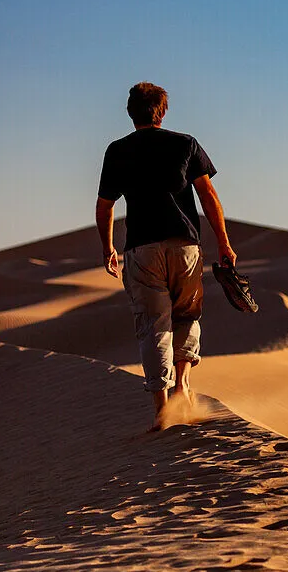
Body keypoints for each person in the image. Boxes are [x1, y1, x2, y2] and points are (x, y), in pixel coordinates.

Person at [95, 82, 237, 430]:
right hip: (185, 246)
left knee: (152, 325)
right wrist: (224, 241)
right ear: (163, 112)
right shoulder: (184, 144)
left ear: (131, 113)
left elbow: (104, 206)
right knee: (186, 314)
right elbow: (208, 195)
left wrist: (107, 247)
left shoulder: (117, 151)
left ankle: (161, 407)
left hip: (142, 250)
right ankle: (182, 385)